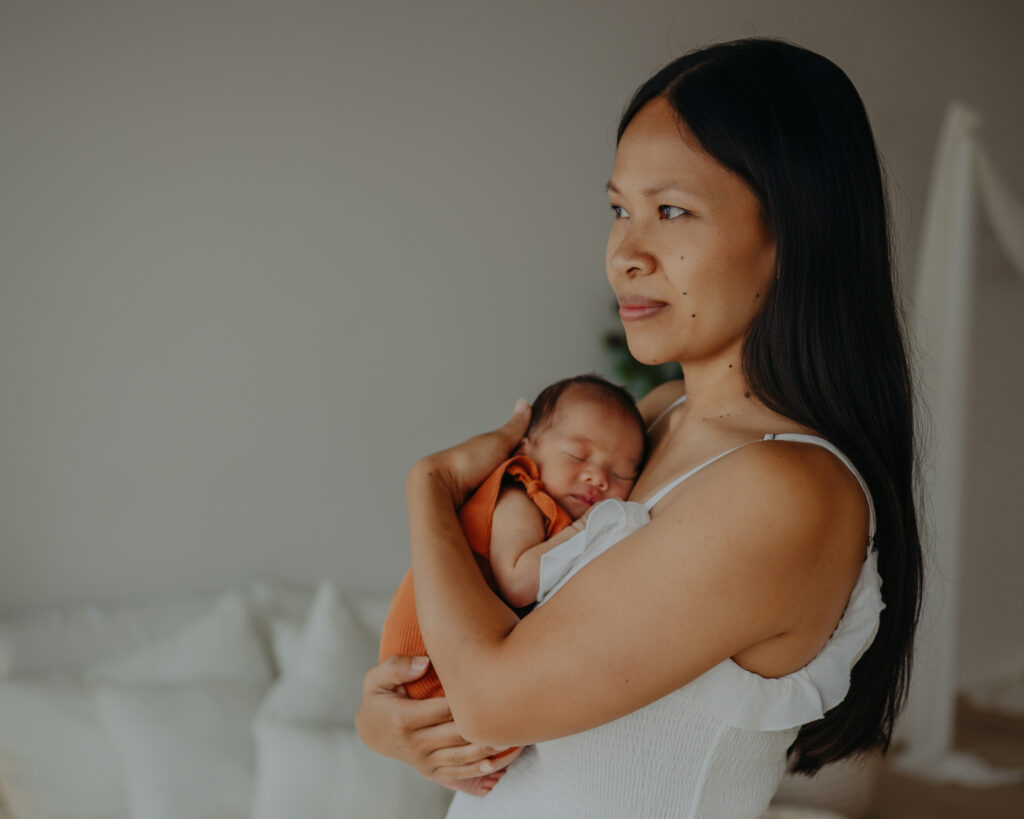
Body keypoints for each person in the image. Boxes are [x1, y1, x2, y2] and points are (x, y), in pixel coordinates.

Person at [356, 37, 923, 818]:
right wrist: (394, 723)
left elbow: (494, 699)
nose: (625, 252)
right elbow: (475, 664)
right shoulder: (655, 418)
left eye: (672, 211)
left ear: (793, 235)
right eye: (620, 209)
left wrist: (428, 486)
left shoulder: (788, 490)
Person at [377, 374, 647, 794]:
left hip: (448, 665)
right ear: (525, 449)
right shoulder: (519, 496)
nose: (597, 478)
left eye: (621, 472)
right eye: (578, 455)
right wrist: (586, 530)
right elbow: (519, 580)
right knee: (489, 739)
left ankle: (454, 773)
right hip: (427, 661)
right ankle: (455, 771)